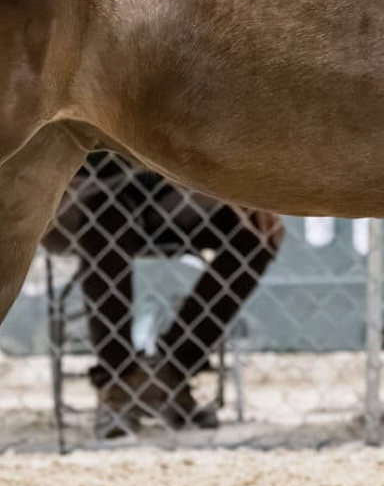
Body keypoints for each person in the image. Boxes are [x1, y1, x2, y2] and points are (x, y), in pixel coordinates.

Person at [44, 153, 285, 439]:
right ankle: (118, 383)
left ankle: (172, 372)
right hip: (90, 193)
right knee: (107, 213)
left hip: (177, 189)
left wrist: (242, 188)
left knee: (259, 234)